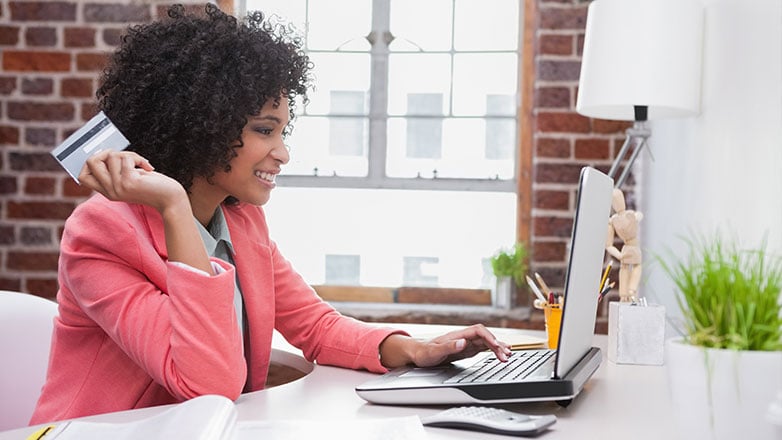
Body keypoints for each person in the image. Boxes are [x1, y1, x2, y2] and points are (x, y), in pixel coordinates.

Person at [30, 4, 510, 424]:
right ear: (202, 127)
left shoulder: (241, 221)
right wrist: (174, 205)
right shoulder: (100, 233)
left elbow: (315, 326)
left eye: (282, 131)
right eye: (265, 130)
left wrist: (417, 350)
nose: (282, 153)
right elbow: (207, 382)